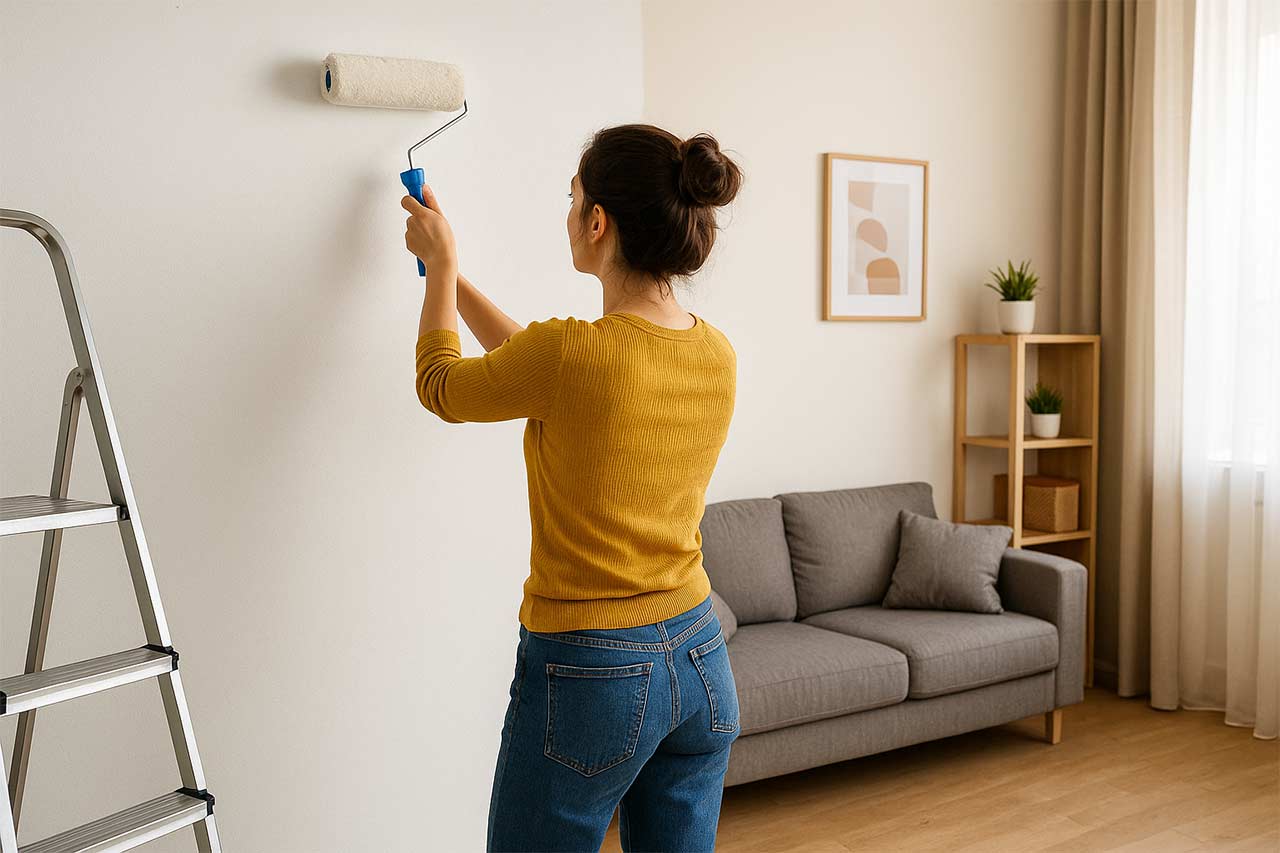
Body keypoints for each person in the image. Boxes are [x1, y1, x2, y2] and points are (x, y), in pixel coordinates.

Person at [402, 123, 743, 852]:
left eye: (573, 198)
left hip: (595, 671)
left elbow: (442, 385)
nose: (568, 214)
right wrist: (449, 271)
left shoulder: (575, 357)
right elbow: (547, 370)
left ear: (598, 222)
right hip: (701, 660)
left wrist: (437, 271)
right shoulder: (714, 352)